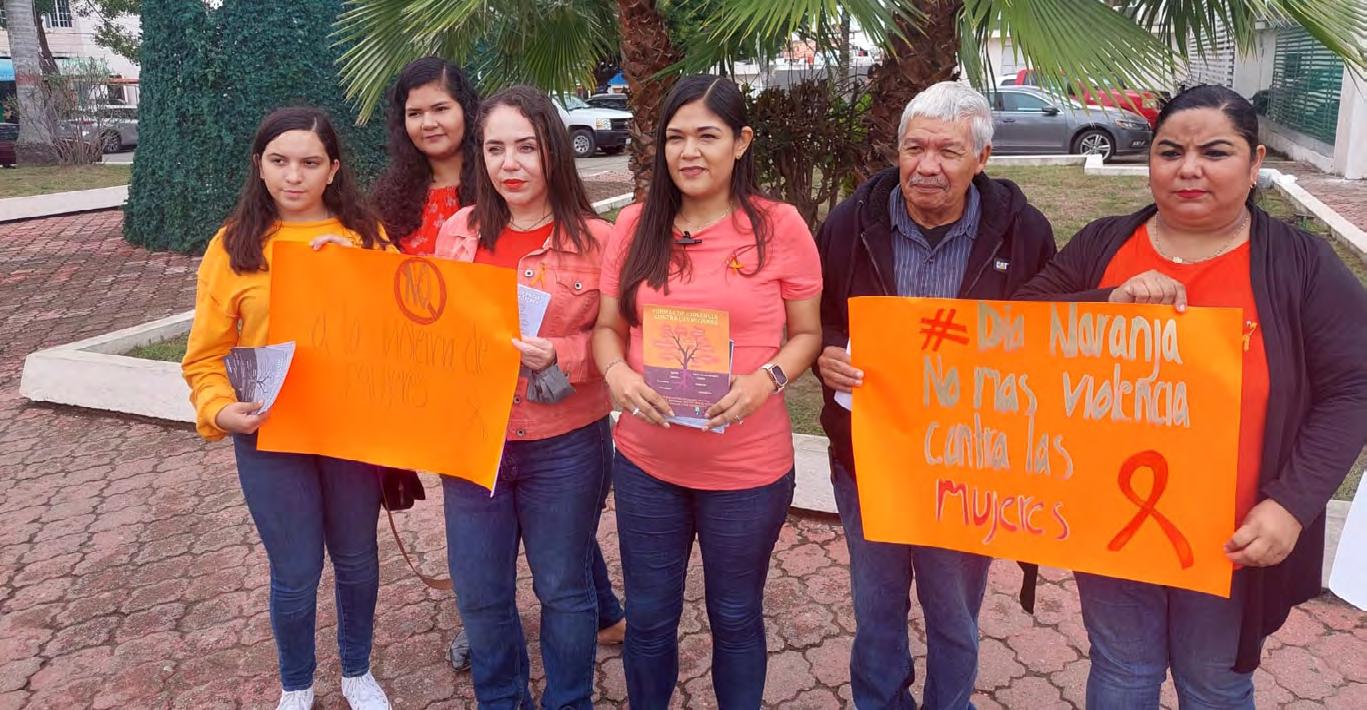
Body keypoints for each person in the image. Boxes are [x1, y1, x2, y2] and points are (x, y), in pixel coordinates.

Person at [1016, 84, 1367, 708]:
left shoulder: (1300, 264)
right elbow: (1016, 329)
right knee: (1122, 669)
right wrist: (1106, 302)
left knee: (1214, 683)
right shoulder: (1104, 244)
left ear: (1255, 163)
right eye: (1170, 151)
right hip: (1111, 521)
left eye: (1216, 152)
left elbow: (1354, 386)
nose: (1189, 169)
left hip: (1232, 535)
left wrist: (1291, 504)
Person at [813, 80, 1058, 710]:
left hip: (967, 465)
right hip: (870, 457)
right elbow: (818, 317)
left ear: (982, 158)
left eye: (948, 151)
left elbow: (1049, 339)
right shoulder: (850, 222)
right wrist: (826, 353)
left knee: (953, 613)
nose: (927, 166)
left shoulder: (1023, 233)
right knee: (876, 609)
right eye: (914, 148)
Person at [592, 74, 823, 708]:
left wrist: (767, 379)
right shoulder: (635, 225)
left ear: (741, 142)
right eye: (675, 137)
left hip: (746, 470)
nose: (689, 152)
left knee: (736, 615)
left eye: (707, 136)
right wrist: (618, 375)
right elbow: (608, 328)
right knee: (649, 619)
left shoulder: (779, 227)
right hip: (647, 464)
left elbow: (807, 334)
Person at [181, 107, 392, 710]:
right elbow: (205, 355)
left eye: (309, 162)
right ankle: (296, 684)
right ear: (259, 165)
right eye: (279, 161)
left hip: (349, 429)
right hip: (270, 433)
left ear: (334, 170)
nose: (293, 176)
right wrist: (220, 411)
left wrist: (362, 267)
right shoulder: (233, 246)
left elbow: (407, 328)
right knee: (295, 571)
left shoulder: (367, 237)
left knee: (356, 558)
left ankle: (357, 671)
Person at [431, 86, 616, 709]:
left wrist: (560, 353)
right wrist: (342, 264)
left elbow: (623, 339)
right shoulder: (459, 233)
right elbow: (424, 319)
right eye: (495, 149)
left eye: (526, 148)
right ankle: (501, 700)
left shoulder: (598, 240)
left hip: (564, 442)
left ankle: (569, 701)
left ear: (553, 152)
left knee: (563, 588)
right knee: (480, 593)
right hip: (474, 442)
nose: (509, 164)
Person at [372, 56, 480, 256]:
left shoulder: (498, 187)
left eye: (440, 109)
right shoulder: (389, 199)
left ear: (466, 111)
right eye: (415, 114)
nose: (428, 124)